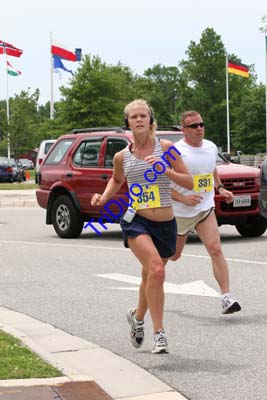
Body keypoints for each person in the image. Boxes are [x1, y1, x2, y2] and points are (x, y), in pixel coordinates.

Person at [91, 99, 193, 353]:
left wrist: (165, 170)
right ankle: (159, 333)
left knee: (150, 276)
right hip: (136, 220)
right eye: (133, 116)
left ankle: (137, 319)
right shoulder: (121, 156)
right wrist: (103, 198)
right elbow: (116, 181)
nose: (138, 119)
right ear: (127, 122)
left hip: (166, 223)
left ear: (150, 120)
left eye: (143, 116)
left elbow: (189, 182)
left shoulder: (167, 148)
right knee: (157, 270)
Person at [170, 110, 241, 314]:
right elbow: (161, 183)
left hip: (205, 209)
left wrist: (220, 189)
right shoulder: (174, 152)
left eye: (201, 124)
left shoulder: (210, 147)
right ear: (183, 130)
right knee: (174, 255)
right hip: (180, 213)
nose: (199, 128)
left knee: (215, 249)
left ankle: (227, 297)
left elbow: (211, 171)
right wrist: (183, 198)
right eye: (194, 126)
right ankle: (151, 280)